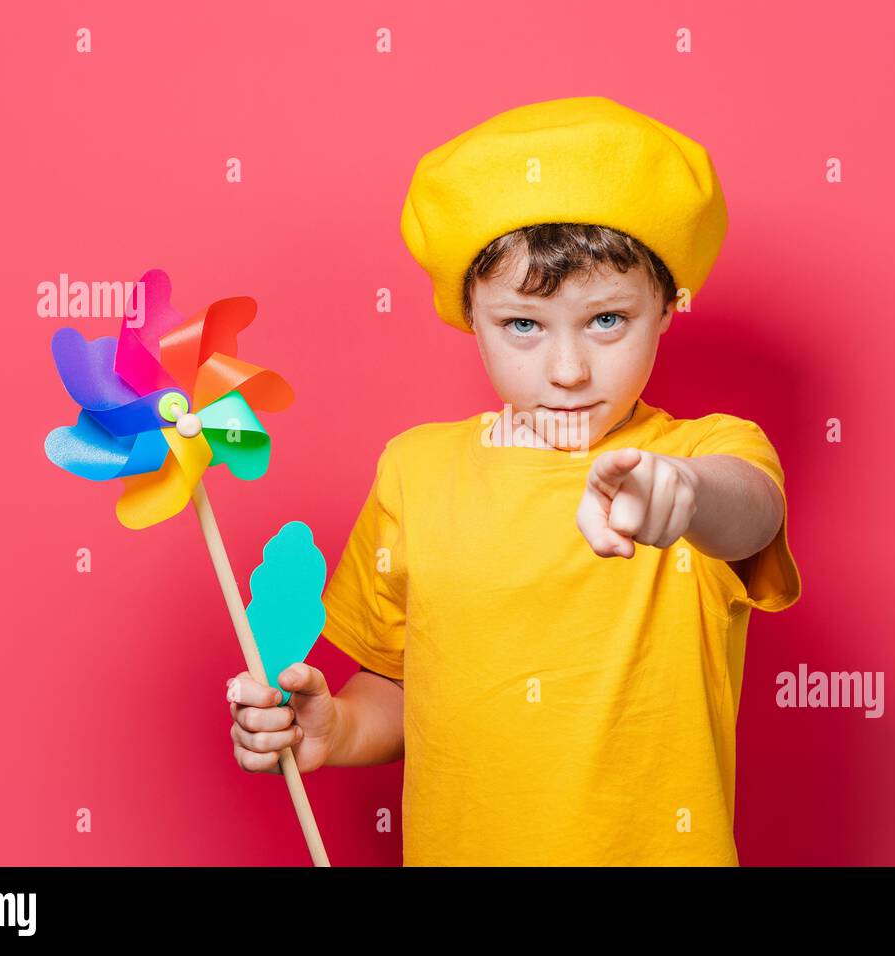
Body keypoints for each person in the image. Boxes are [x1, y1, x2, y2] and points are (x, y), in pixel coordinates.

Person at [227, 95, 802, 865]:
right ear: (472, 317)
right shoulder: (415, 470)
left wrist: (687, 493)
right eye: (523, 325)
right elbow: (399, 687)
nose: (567, 372)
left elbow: (752, 513)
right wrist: (335, 729)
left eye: (607, 320)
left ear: (667, 308)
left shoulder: (706, 451)